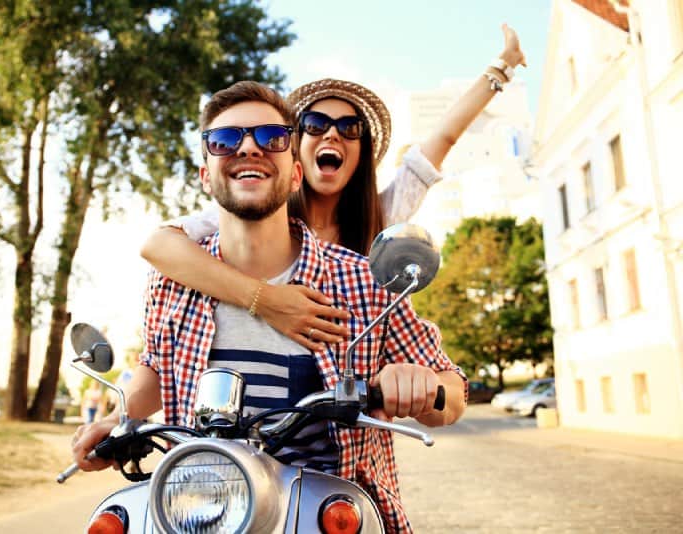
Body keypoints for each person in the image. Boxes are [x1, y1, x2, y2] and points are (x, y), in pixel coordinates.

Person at [72, 81, 467, 533]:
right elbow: (158, 370)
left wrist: (419, 384)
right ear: (206, 175)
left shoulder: (363, 279)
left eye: (270, 138)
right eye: (224, 141)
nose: (248, 148)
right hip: (201, 512)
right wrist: (116, 423)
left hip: (326, 514)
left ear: (295, 172)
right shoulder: (172, 281)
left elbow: (452, 393)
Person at [139, 24, 527, 351]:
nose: (332, 134)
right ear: (293, 150)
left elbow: (442, 137)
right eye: (315, 124)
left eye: (349, 128)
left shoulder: (383, 218)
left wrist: (502, 68)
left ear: (362, 152)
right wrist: (266, 300)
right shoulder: (262, 214)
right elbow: (157, 246)